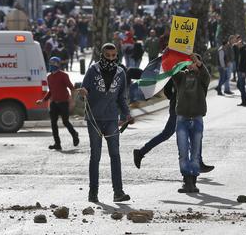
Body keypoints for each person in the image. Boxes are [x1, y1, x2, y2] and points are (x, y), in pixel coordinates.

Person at [80, 43, 132, 203]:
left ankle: (118, 192)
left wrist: (126, 114)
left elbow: (122, 97)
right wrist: (83, 93)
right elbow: (83, 91)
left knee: (115, 155)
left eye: (113, 56)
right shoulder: (92, 70)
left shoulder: (120, 72)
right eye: (107, 56)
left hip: (111, 119)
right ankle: (93, 193)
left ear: (117, 55)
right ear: (102, 55)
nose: (110, 58)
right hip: (94, 119)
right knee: (95, 156)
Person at [133, 79, 214, 173]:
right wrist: (177, 97)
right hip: (179, 108)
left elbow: (167, 92)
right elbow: (168, 91)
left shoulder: (184, 69)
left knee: (194, 133)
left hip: (189, 106)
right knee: (167, 133)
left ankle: (198, 162)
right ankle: (140, 152)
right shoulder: (178, 70)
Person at [172, 53, 210, 193]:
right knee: (183, 151)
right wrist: (177, 59)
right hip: (182, 118)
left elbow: (207, 75)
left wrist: (199, 64)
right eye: (189, 61)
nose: (192, 64)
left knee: (195, 152)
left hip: (197, 118)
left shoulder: (202, 78)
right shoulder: (181, 77)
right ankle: (186, 179)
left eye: (195, 62)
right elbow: (172, 71)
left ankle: (193, 180)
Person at [36, 57, 79, 151]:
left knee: (65, 121)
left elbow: (72, 88)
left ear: (58, 65)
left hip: (63, 102)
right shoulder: (49, 77)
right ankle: (57, 143)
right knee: (53, 123)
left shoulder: (63, 75)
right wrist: (42, 100)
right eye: (51, 63)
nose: (52, 65)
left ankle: (74, 134)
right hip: (54, 103)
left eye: (54, 63)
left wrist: (72, 100)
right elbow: (51, 91)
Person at [235, 39, 246, 107]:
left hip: (242, 71)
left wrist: (244, 72)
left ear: (242, 44)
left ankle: (245, 101)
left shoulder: (244, 51)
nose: (238, 45)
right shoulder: (241, 51)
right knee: (239, 85)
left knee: (242, 86)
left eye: (239, 44)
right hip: (240, 71)